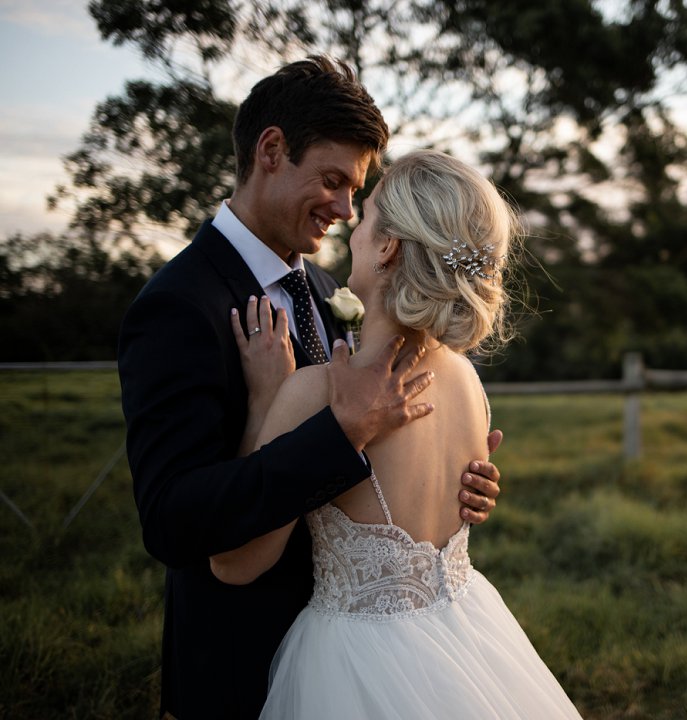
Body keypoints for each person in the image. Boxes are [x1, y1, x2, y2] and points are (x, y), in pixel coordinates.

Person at [117, 57, 503, 720]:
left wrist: (451, 490)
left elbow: (375, 476)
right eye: (331, 181)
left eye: (358, 193)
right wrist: (336, 434)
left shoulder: (333, 294)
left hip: (370, 663)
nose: (345, 209)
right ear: (271, 151)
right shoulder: (180, 305)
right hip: (244, 660)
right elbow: (172, 520)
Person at [210, 149, 582, 718]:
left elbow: (234, 564)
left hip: (353, 659)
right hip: (464, 637)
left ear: (389, 247)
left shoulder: (315, 391)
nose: (352, 227)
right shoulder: (465, 379)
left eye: (366, 217)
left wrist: (266, 399)